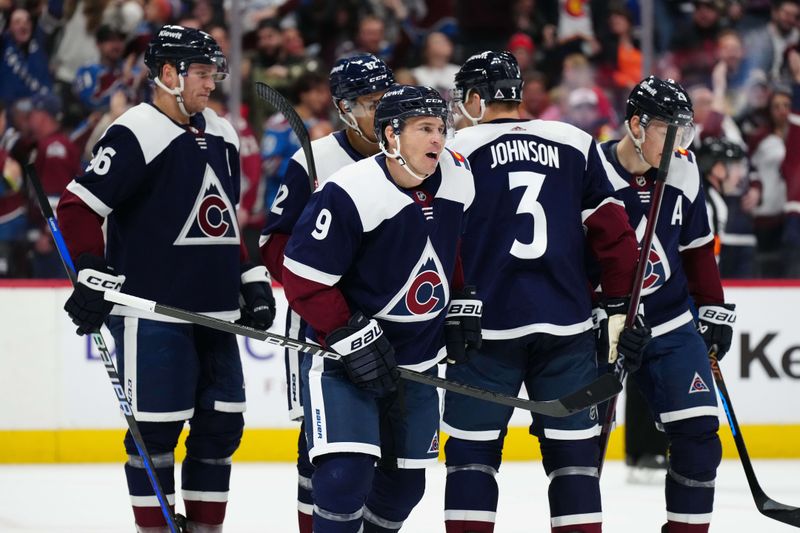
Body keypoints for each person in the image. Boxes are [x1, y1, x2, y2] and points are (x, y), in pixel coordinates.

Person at [55, 25, 276, 532]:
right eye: (202, 73)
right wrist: (90, 269)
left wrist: (248, 275)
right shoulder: (135, 131)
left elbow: (222, 217)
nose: (211, 83)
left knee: (221, 430)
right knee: (154, 436)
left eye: (214, 72)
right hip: (152, 311)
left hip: (217, 313)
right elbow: (77, 207)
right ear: (169, 75)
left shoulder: (221, 131)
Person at [442, 51, 650, 533]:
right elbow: (614, 234)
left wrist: (450, 302)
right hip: (567, 326)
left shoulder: (453, 149)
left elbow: (439, 240)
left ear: (475, 97)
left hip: (482, 328)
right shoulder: (576, 141)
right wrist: (619, 309)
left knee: (472, 459)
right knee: (574, 460)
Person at [281, 84, 477, 533]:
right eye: (425, 128)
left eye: (441, 129)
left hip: (419, 363)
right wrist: (347, 333)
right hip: (344, 362)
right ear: (391, 135)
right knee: (344, 475)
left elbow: (450, 250)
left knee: (405, 488)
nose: (438, 139)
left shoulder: (458, 177)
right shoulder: (349, 190)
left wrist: (462, 299)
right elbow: (302, 278)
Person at [259, 53, 395, 533]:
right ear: (343, 107)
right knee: (319, 448)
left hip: (391, 322)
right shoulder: (311, 161)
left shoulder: (412, 154)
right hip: (321, 326)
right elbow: (273, 243)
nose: (382, 110)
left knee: (391, 453)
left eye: (387, 98)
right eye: (371, 102)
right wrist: (323, 277)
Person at [594, 76, 736, 532]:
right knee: (580, 447)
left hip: (672, 322)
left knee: (698, 437)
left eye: (686, 131)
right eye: (668, 129)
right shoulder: (590, 169)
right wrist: (603, 316)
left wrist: (712, 307)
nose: (679, 142)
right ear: (636, 124)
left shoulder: (684, 168)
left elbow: (696, 246)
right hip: (606, 327)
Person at [697, 136, 758, 278]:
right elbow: (707, 261)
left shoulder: (701, 195)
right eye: (735, 166)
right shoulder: (713, 204)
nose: (740, 174)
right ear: (718, 169)